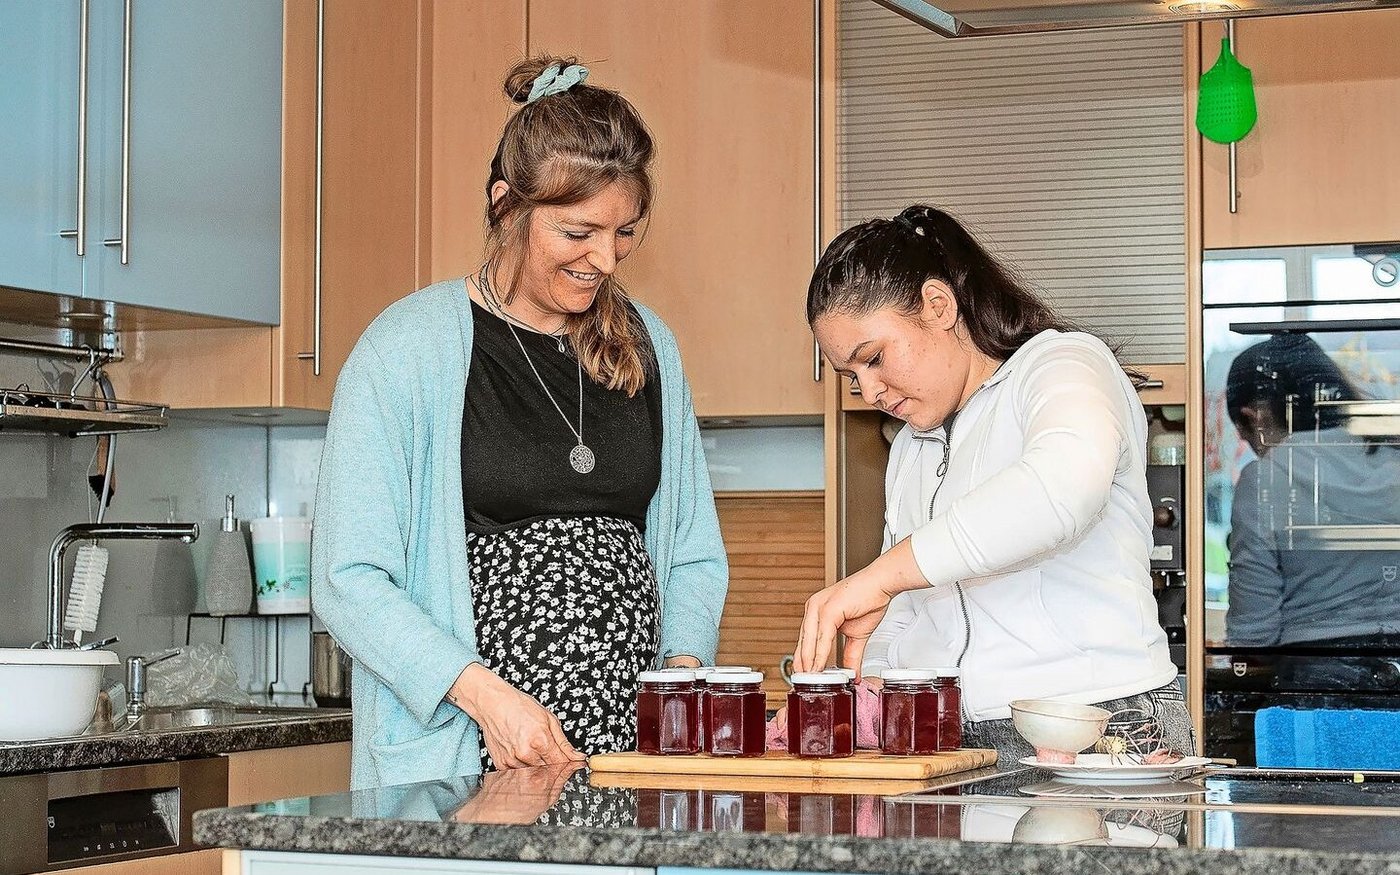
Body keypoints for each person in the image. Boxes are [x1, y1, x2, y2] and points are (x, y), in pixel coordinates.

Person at [312, 57, 728, 789]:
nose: (604, 258)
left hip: (628, 760)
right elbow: (349, 579)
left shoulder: (649, 343)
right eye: (578, 232)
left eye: (624, 232)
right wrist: (488, 699)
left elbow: (692, 553)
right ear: (507, 205)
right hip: (472, 750)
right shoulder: (405, 349)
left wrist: (678, 685)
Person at [792, 205, 1191, 763]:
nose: (869, 390)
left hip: (1096, 725)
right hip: (959, 739)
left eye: (874, 359)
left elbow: (1061, 488)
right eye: (850, 376)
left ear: (938, 305)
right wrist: (867, 688)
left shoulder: (1064, 366)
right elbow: (908, 604)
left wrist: (881, 576)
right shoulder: (912, 443)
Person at [1224, 333, 1400, 649]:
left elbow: (1252, 634)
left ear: (1254, 418)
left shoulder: (1263, 478)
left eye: (1245, 437)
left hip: (1312, 678)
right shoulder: (1393, 454)